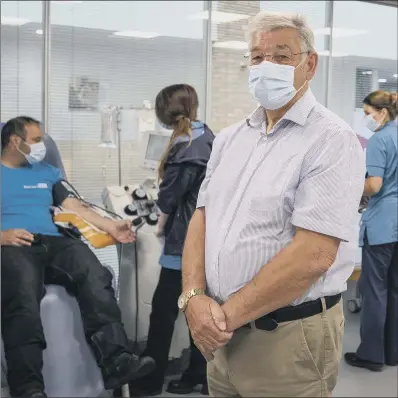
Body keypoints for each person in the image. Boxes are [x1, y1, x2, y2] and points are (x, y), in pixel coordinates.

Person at [179, 11, 366, 398]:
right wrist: (195, 298)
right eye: (258, 57)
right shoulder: (231, 138)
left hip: (285, 338)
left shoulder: (331, 140)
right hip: (222, 339)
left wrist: (220, 320)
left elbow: (314, 254)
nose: (266, 67)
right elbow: (202, 218)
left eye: (281, 57)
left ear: (308, 64)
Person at [0, 116, 155, 398]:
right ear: (15, 141)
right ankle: (28, 387)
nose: (42, 146)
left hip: (54, 241)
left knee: (95, 273)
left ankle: (117, 362)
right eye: (36, 140)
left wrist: (112, 226)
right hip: (12, 244)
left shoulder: (46, 172)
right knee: (22, 294)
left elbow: (75, 207)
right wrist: (2, 236)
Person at [128, 84, 214, 396]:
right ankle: (199, 375)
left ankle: (149, 381)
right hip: (202, 237)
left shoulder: (187, 145)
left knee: (164, 312)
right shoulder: (205, 135)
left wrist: (158, 226)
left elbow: (169, 197)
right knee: (197, 309)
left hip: (185, 242)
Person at [345, 91, 398, 371]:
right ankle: (392, 352)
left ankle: (371, 356)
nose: (366, 119)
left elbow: (374, 185)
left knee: (374, 290)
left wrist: (350, 188)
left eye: (368, 113)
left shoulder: (380, 139)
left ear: (382, 112)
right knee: (394, 289)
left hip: (382, 225)